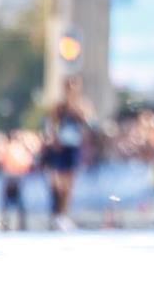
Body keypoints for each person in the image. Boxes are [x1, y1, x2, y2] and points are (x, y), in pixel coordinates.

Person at [43, 76, 90, 230]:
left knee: (69, 185)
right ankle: (57, 214)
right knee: (58, 184)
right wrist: (54, 140)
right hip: (60, 147)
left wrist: (76, 109)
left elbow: (88, 123)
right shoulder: (59, 107)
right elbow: (52, 125)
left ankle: (63, 214)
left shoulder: (81, 106)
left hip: (73, 147)